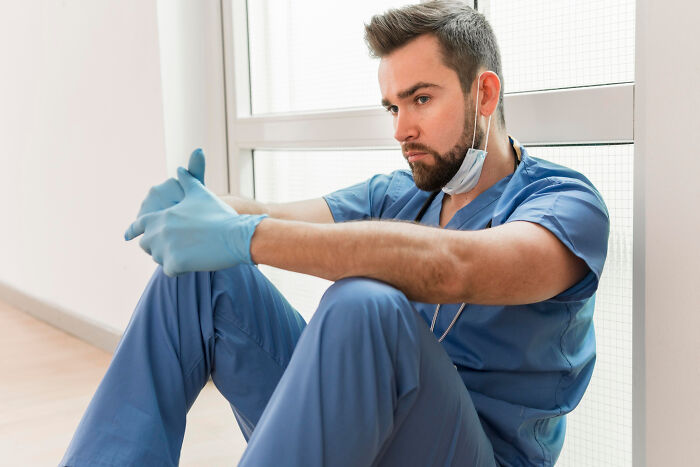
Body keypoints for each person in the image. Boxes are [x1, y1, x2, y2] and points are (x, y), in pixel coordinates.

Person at [60, 1, 609, 466]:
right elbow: (271, 213)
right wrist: (208, 212)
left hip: (471, 452)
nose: (401, 129)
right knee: (203, 276)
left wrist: (242, 234)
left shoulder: (564, 204)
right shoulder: (400, 194)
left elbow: (454, 266)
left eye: (421, 99)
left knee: (365, 303)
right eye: (393, 107)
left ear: (483, 95)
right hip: (362, 429)